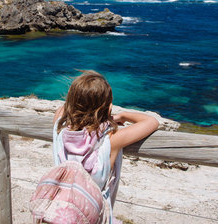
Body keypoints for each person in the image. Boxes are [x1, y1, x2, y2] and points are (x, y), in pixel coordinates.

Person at [53, 70, 159, 222]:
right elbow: (152, 122)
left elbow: (62, 109)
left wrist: (80, 100)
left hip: (62, 212)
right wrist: (122, 115)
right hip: (94, 216)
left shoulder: (59, 129)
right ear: (108, 108)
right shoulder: (110, 141)